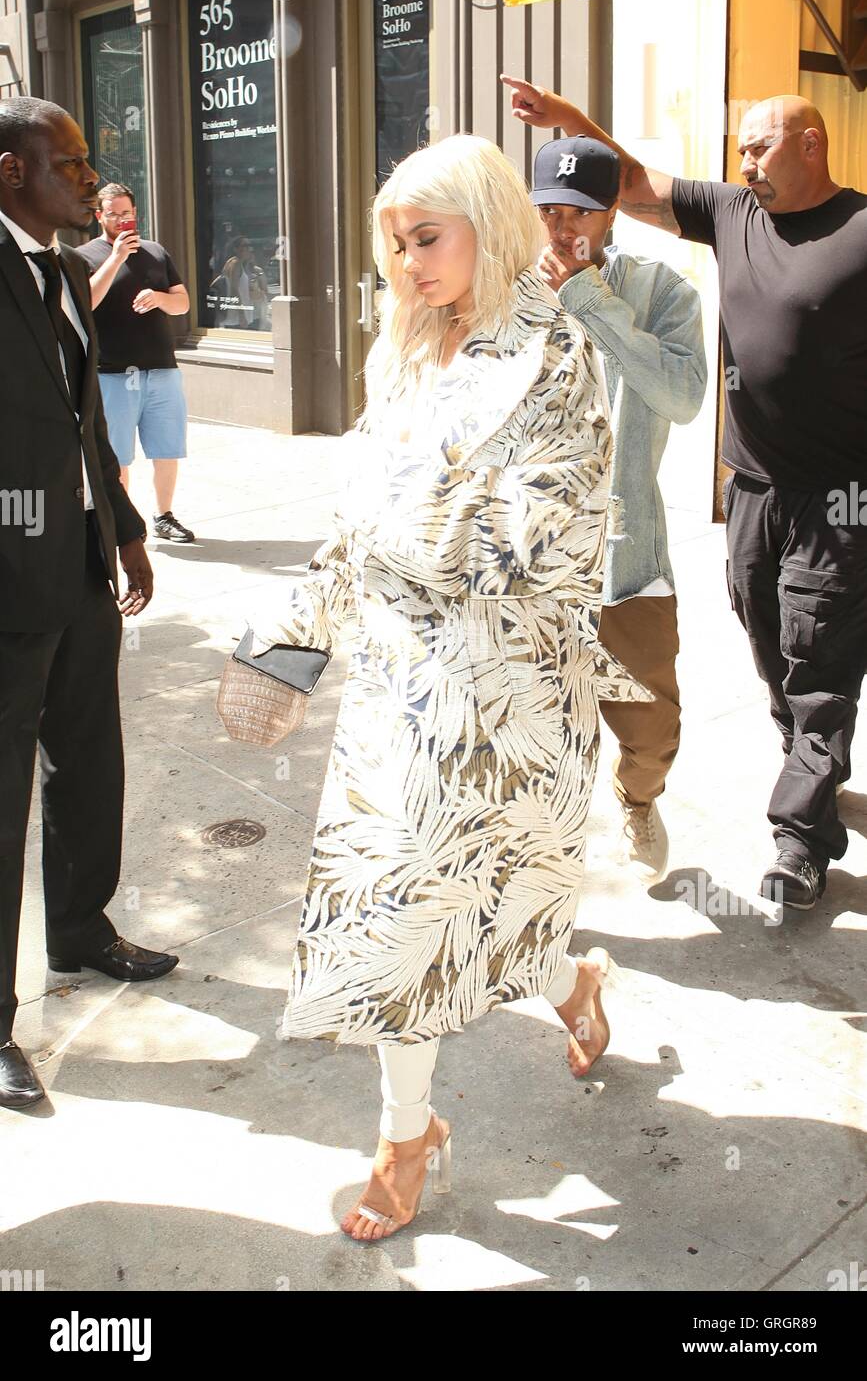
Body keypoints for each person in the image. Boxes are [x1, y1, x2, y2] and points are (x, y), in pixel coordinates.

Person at [245, 134, 650, 1240]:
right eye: (395, 243)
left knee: (498, 903)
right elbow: (354, 521)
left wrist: (425, 535)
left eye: (428, 237)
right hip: (398, 689)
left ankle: (573, 984)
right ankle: (407, 1131)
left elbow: (557, 537)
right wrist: (289, 640)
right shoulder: (403, 353)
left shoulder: (554, 354)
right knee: (400, 917)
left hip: (508, 698)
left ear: (488, 221)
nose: (408, 262)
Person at [504, 75, 867, 911]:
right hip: (752, 486)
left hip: (840, 496)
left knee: (819, 661)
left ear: (809, 143)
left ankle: (799, 834)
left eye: (758, 145)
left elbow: (672, 387)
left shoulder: (859, 227)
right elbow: (628, 181)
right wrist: (568, 120)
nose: (742, 161)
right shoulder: (734, 212)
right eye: (738, 148)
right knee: (770, 642)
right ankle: (809, 756)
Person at [0, 98, 179, 1109]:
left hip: (76, 566)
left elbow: (80, 424)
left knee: (88, 757)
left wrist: (120, 522)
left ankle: (80, 926)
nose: (87, 174)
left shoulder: (68, 273)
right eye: (65, 160)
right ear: (10, 170)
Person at [533, 135, 706, 882]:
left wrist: (590, 301)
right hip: (533, 566)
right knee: (540, 734)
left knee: (650, 729)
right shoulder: (505, 293)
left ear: (611, 213)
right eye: (548, 209)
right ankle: (539, 864)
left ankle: (636, 799)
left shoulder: (662, 291)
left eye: (580, 209)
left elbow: (682, 397)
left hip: (627, 557)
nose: (562, 226)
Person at [77, 183, 195, 544]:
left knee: (167, 448)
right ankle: (123, 523)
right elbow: (87, 304)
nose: (120, 220)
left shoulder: (155, 252)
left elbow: (183, 304)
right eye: (112, 214)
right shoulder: (83, 256)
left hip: (161, 369)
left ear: (135, 213)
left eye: (126, 214)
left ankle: (164, 516)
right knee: (118, 456)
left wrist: (159, 297)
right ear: (100, 216)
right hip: (113, 373)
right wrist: (115, 258)